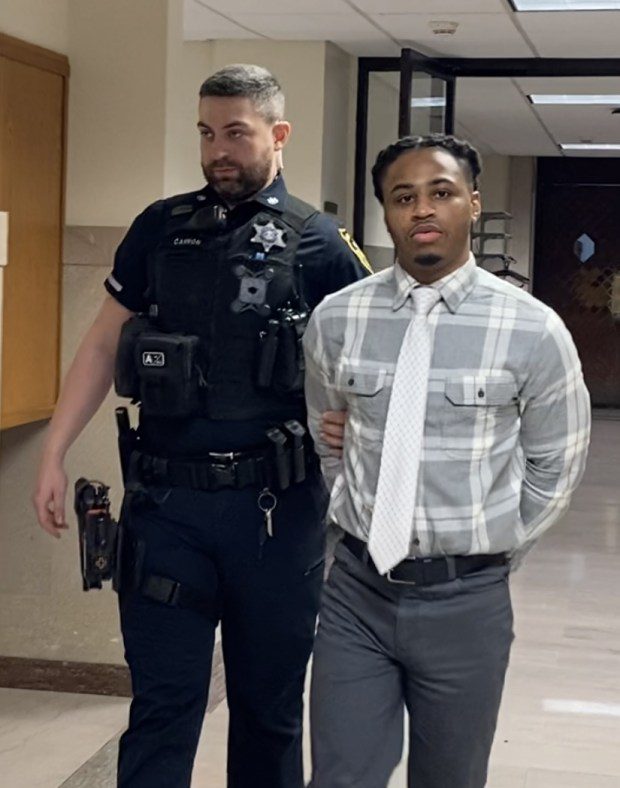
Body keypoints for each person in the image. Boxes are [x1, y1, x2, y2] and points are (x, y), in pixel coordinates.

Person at [32, 64, 371, 788]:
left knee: (269, 710)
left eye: (237, 134)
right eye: (206, 133)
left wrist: (356, 431)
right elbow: (101, 341)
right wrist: (54, 451)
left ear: (279, 135)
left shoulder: (318, 243)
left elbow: (368, 364)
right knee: (163, 703)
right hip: (167, 511)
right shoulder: (160, 227)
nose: (218, 150)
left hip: (276, 519)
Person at [303, 133, 591, 788]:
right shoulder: (337, 319)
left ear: (472, 204)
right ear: (386, 212)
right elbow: (325, 433)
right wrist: (362, 518)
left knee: (450, 778)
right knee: (340, 776)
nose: (422, 210)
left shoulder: (532, 328)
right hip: (356, 593)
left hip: (467, 603)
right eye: (404, 197)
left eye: (441, 193)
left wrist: (490, 553)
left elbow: (557, 462)